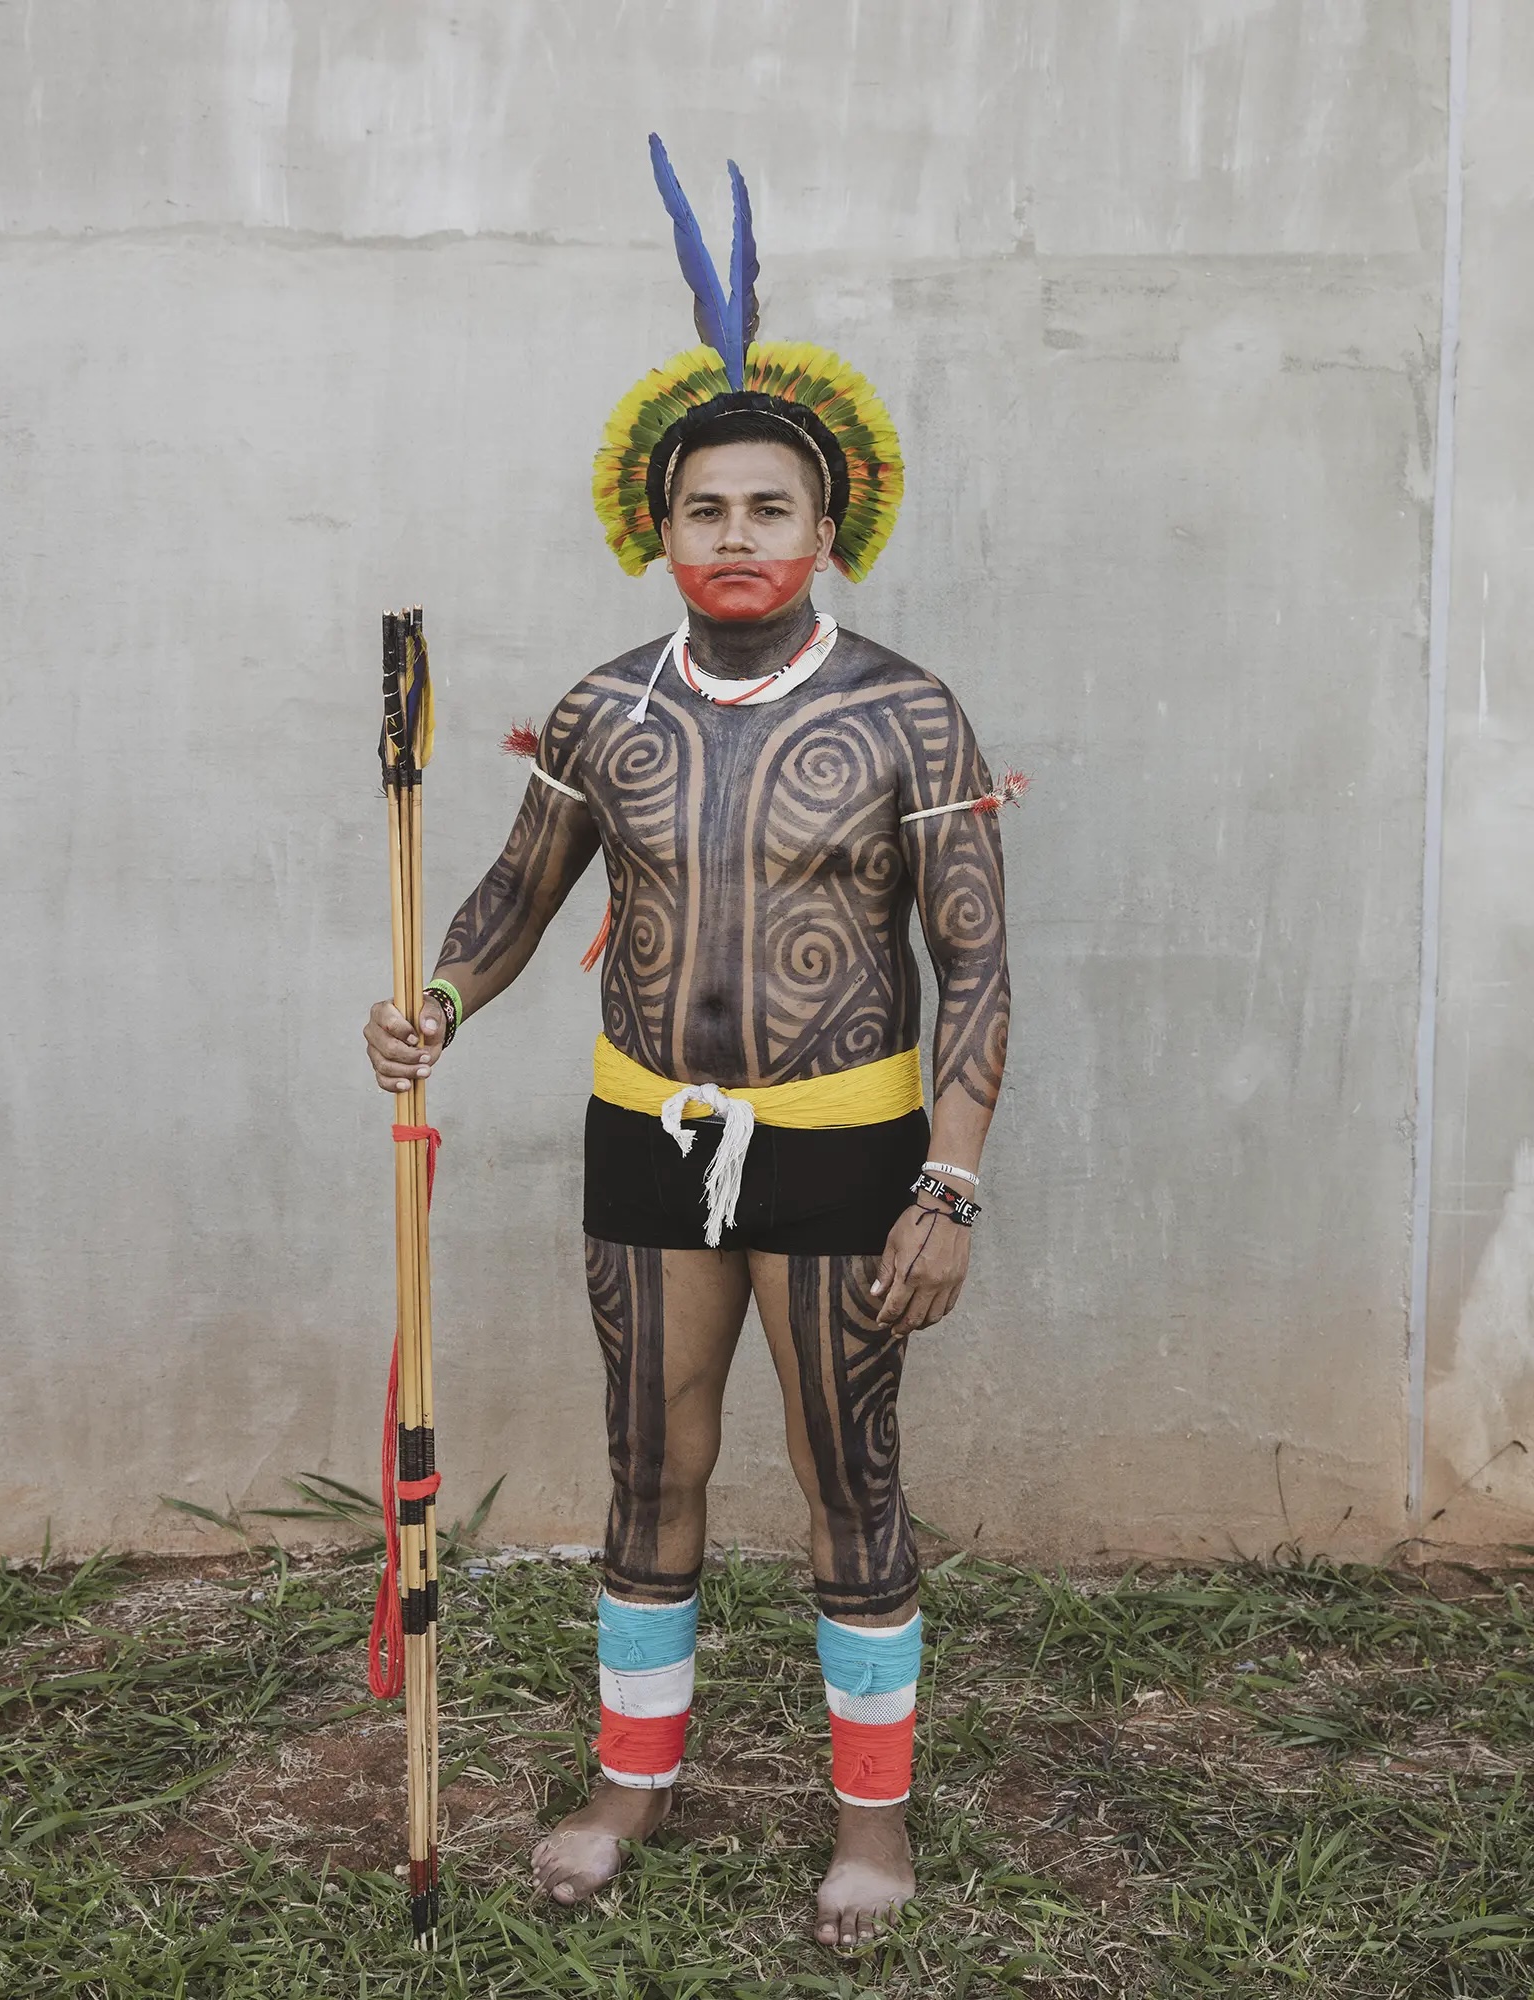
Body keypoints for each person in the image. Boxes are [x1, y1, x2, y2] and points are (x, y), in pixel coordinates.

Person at [363, 136, 1011, 1952]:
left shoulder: (908, 717)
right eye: (705, 509)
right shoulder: (605, 711)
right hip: (645, 1132)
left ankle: (869, 1821)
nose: (736, 537)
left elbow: (975, 963)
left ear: (830, 524)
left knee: (846, 1469)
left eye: (768, 509)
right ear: (657, 525)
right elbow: (513, 891)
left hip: (847, 1145)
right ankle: (631, 1780)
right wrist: (437, 1005)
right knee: (650, 1462)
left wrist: (949, 1183)